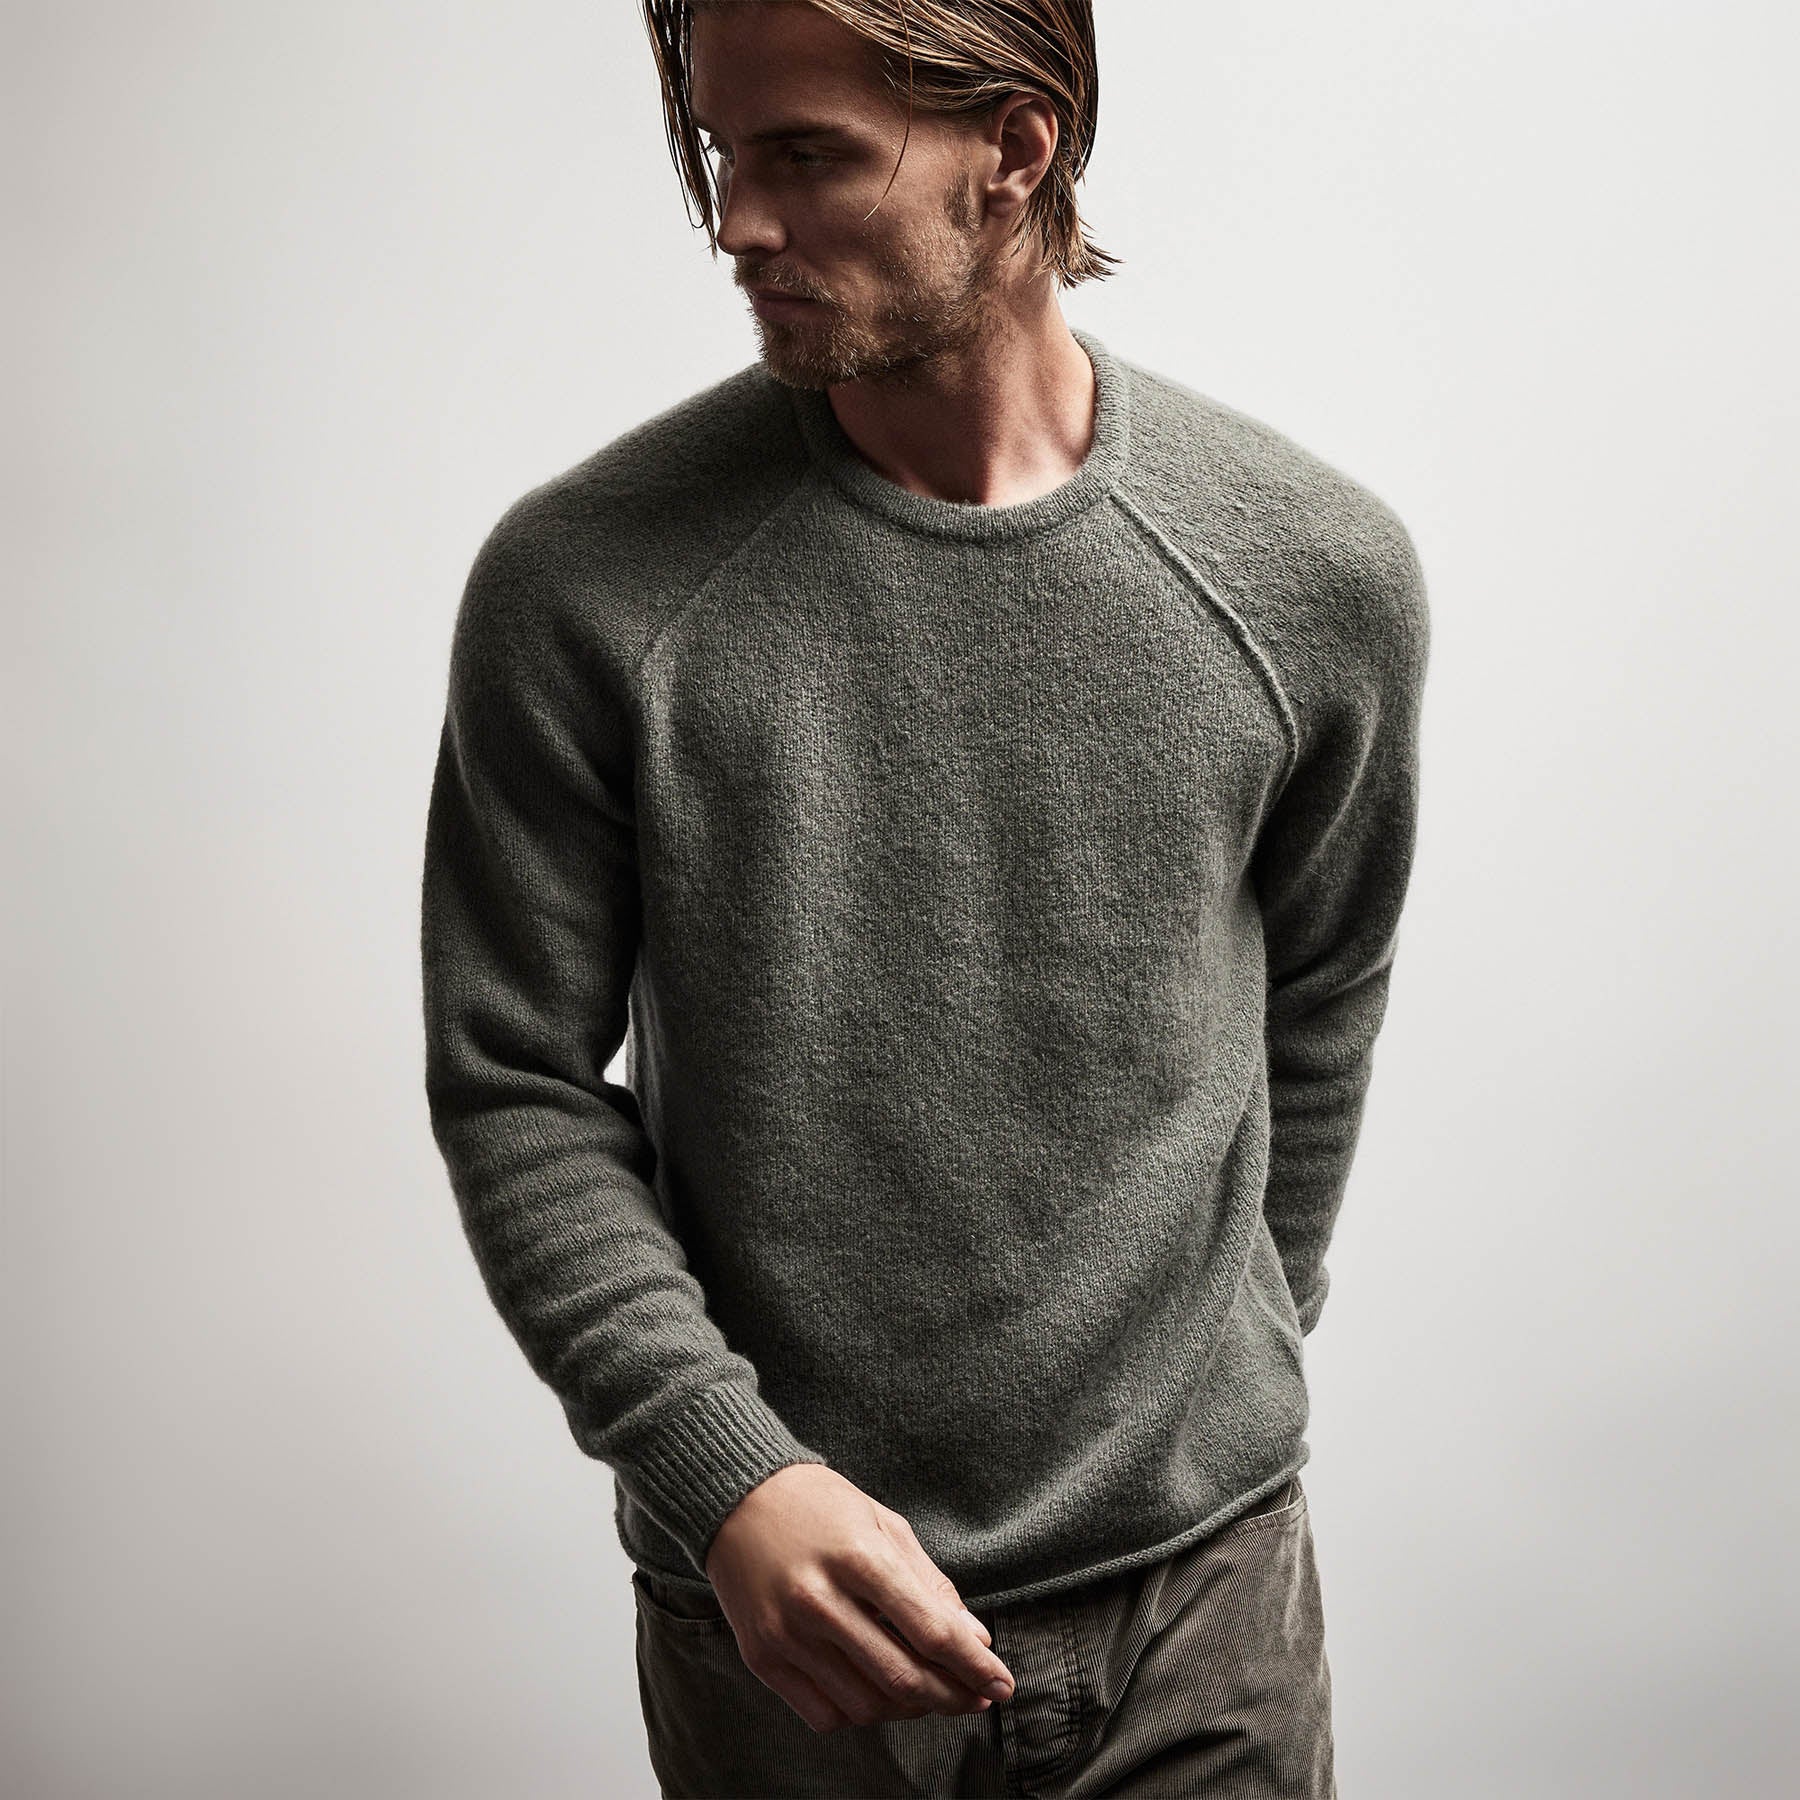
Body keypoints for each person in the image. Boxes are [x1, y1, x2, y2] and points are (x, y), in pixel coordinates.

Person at [420, 2, 1429, 1793]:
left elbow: (1320, 1009)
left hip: (1206, 1617)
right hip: (787, 1650)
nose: (735, 220)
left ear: (1016, 147)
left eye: (804, 154)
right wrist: (727, 1474)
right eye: (722, 150)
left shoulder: (1310, 578)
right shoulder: (585, 587)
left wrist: (1201, 1400)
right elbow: (516, 1077)